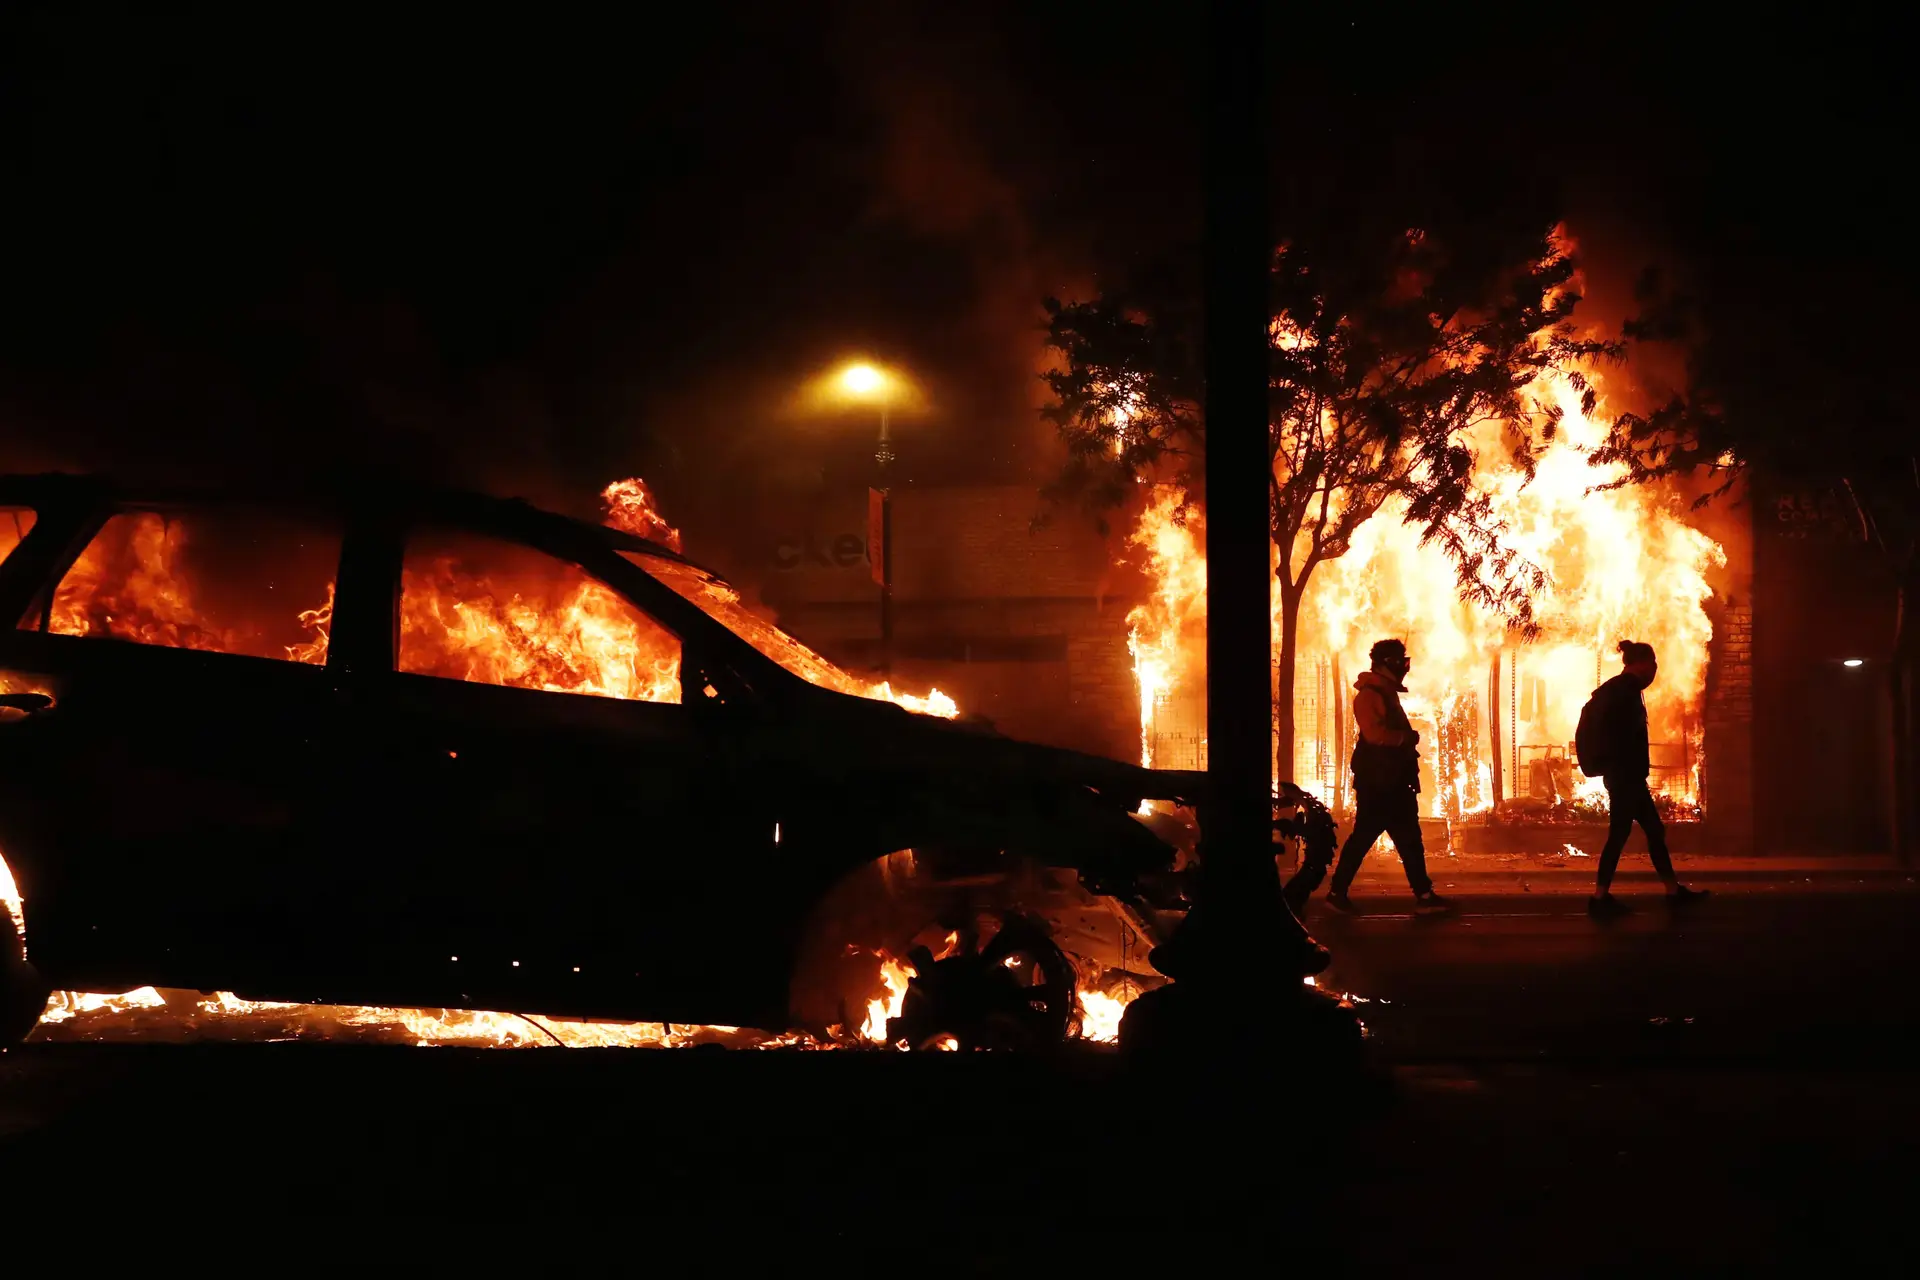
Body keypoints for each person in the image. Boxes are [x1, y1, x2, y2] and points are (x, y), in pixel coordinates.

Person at [1324, 639, 1452, 914]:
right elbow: (1375, 735)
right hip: (1380, 785)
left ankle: (1423, 895)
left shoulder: (1385, 693)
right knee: (1371, 839)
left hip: (1391, 782)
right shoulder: (1370, 696)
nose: (1404, 667)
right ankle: (1339, 892)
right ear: (1388, 663)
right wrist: (1406, 737)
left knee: (1406, 840)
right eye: (1399, 660)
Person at [1585, 640, 1708, 915]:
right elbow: (1621, 736)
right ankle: (1599, 899)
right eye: (1653, 665)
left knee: (1653, 831)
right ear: (1640, 664)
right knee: (1620, 835)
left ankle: (1672, 891)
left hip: (1627, 777)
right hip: (1625, 778)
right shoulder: (1623, 693)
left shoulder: (1622, 691)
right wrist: (1622, 766)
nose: (1654, 671)